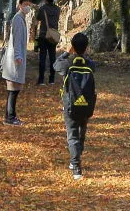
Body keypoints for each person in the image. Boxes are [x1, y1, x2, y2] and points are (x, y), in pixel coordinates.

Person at [54, 32, 97, 180]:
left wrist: (66, 52)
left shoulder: (67, 64)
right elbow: (93, 65)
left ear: (73, 46)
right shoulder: (90, 65)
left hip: (70, 105)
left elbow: (55, 65)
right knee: (81, 133)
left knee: (72, 135)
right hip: (86, 105)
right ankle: (77, 157)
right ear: (86, 48)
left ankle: (76, 166)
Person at [0, 0, 34, 126]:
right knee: (13, 89)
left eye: (29, 5)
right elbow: (16, 40)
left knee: (14, 88)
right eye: (25, 4)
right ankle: (10, 117)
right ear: (20, 5)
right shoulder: (18, 19)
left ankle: (10, 115)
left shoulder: (21, 18)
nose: (27, 7)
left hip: (16, 58)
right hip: (15, 59)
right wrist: (18, 56)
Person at [35, 0, 61, 85]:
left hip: (43, 35)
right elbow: (56, 19)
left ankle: (41, 79)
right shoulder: (58, 9)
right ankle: (52, 79)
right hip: (53, 36)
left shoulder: (43, 9)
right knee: (52, 57)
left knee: (42, 57)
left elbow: (38, 19)